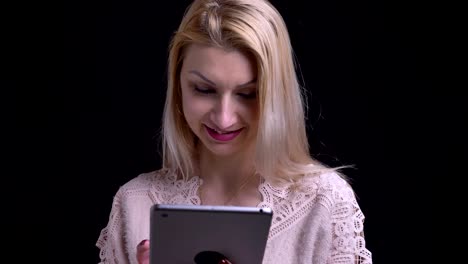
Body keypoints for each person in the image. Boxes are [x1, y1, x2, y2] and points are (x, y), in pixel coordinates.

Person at [96, 0, 373, 263]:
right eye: (204, 90)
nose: (224, 118)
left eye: (248, 94)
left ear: (277, 95)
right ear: (178, 82)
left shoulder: (325, 204)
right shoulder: (134, 203)